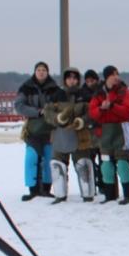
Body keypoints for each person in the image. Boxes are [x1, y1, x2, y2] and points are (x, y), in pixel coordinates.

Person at [45, 67, 97, 203]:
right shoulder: (56, 95)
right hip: (60, 135)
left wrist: (83, 121)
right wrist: (58, 118)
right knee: (57, 165)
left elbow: (92, 112)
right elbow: (47, 113)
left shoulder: (85, 95)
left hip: (80, 135)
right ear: (65, 80)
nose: (72, 80)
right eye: (69, 78)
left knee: (83, 164)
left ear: (78, 80)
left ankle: (88, 194)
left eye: (74, 78)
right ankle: (60, 195)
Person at [87, 66, 129, 204]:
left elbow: (127, 111)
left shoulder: (123, 91)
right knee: (106, 165)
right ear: (106, 77)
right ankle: (110, 195)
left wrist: (112, 107)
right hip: (105, 132)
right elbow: (93, 113)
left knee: (122, 164)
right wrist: (102, 109)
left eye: (117, 74)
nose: (116, 77)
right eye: (112, 74)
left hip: (121, 131)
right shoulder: (98, 93)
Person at [14, 61, 60, 200]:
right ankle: (32, 189)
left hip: (49, 129)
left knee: (48, 159)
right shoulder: (26, 87)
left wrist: (49, 111)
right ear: (35, 72)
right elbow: (19, 105)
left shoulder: (54, 88)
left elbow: (59, 105)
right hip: (33, 129)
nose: (41, 72)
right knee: (31, 158)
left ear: (47, 72)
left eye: (44, 70)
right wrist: (37, 112)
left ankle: (46, 189)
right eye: (39, 70)